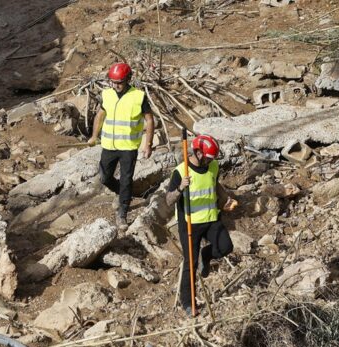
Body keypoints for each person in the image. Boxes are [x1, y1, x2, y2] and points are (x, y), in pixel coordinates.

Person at [165, 133, 237, 314]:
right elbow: (168, 200)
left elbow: (214, 184)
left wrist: (225, 199)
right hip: (190, 223)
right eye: (207, 157)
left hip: (212, 218)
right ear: (197, 152)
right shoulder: (181, 172)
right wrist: (181, 187)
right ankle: (188, 303)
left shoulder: (212, 165)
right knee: (191, 263)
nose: (209, 161)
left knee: (226, 246)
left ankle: (206, 255)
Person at [87, 62, 155, 228]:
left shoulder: (138, 96)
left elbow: (149, 119)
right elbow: (100, 115)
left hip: (129, 147)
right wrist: (94, 136)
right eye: (113, 82)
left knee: (126, 179)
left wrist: (148, 145)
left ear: (128, 79)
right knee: (104, 178)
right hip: (109, 145)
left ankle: (122, 213)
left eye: (119, 82)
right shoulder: (107, 94)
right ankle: (123, 193)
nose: (116, 85)